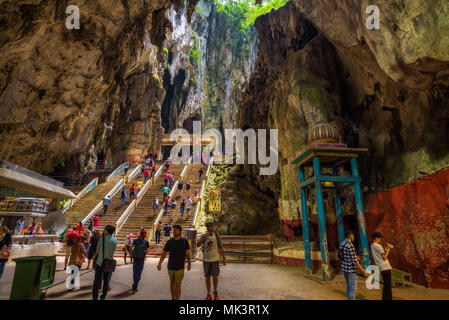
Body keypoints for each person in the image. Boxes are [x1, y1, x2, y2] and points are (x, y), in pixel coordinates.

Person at [157, 225, 191, 300]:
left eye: (176, 229)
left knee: (178, 284)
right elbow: (164, 252)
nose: (174, 230)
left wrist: (189, 263)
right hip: (170, 266)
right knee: (172, 283)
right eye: (174, 229)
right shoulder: (170, 241)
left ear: (180, 231)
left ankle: (177, 298)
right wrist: (159, 263)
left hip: (180, 267)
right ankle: (173, 298)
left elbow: (188, 253)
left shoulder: (184, 241)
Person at [197, 222, 226, 300]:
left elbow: (220, 247)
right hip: (206, 260)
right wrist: (204, 238)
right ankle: (208, 294)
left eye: (211, 227)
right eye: (208, 227)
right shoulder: (204, 235)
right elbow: (197, 245)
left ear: (212, 227)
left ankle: (215, 292)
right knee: (207, 277)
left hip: (215, 259)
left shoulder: (216, 236)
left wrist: (224, 257)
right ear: (206, 228)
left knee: (215, 276)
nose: (209, 228)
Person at [339, 230, 369, 300]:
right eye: (353, 236)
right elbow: (355, 262)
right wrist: (363, 271)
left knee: (348, 286)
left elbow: (346, 255)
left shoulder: (342, 243)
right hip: (351, 270)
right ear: (350, 236)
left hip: (344, 268)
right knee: (352, 289)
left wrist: (355, 257)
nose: (354, 237)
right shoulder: (350, 245)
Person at [92, 225, 118, 300]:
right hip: (109, 263)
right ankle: (103, 296)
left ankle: (95, 297)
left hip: (100, 262)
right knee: (106, 280)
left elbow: (97, 251)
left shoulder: (102, 239)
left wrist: (94, 256)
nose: (104, 231)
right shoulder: (115, 240)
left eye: (105, 229)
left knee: (97, 280)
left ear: (107, 231)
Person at [371, 232, 393, 300]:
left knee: (386, 286)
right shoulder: (378, 246)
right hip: (385, 267)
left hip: (381, 268)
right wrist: (389, 249)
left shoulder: (372, 245)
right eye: (379, 238)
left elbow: (380, 255)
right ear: (376, 238)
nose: (380, 239)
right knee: (388, 287)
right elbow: (384, 257)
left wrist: (385, 249)